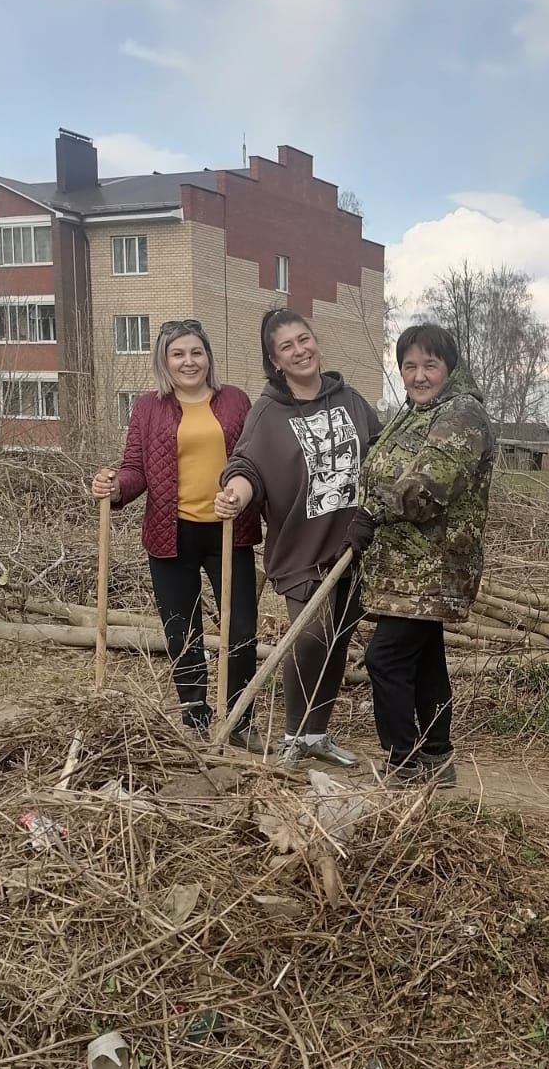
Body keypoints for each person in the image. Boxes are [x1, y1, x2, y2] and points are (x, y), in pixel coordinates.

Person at [216, 308, 380, 768]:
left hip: (353, 543)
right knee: (310, 634)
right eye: (287, 346)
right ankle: (293, 735)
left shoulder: (349, 399)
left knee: (338, 639)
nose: (299, 350)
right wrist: (235, 494)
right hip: (301, 546)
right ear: (275, 360)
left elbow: (383, 451)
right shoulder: (268, 411)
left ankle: (317, 734)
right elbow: (247, 466)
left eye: (303, 339)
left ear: (315, 342)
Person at [91, 318, 261, 743]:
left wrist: (248, 499)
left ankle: (239, 720)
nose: (189, 362)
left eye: (196, 352)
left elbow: (257, 461)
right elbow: (135, 469)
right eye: (178, 354)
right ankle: (196, 717)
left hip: (228, 532)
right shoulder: (149, 408)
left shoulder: (236, 401)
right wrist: (114, 488)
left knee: (240, 628)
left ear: (208, 356)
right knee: (182, 631)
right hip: (171, 535)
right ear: (165, 362)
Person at [341, 323, 496, 786]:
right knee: (425, 658)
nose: (419, 375)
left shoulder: (462, 414)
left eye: (430, 364)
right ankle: (436, 756)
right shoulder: (412, 413)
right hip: (403, 568)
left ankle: (404, 764)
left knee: (384, 659)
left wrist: (371, 514)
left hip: (431, 569)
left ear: (450, 367)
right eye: (410, 365)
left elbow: (431, 482)